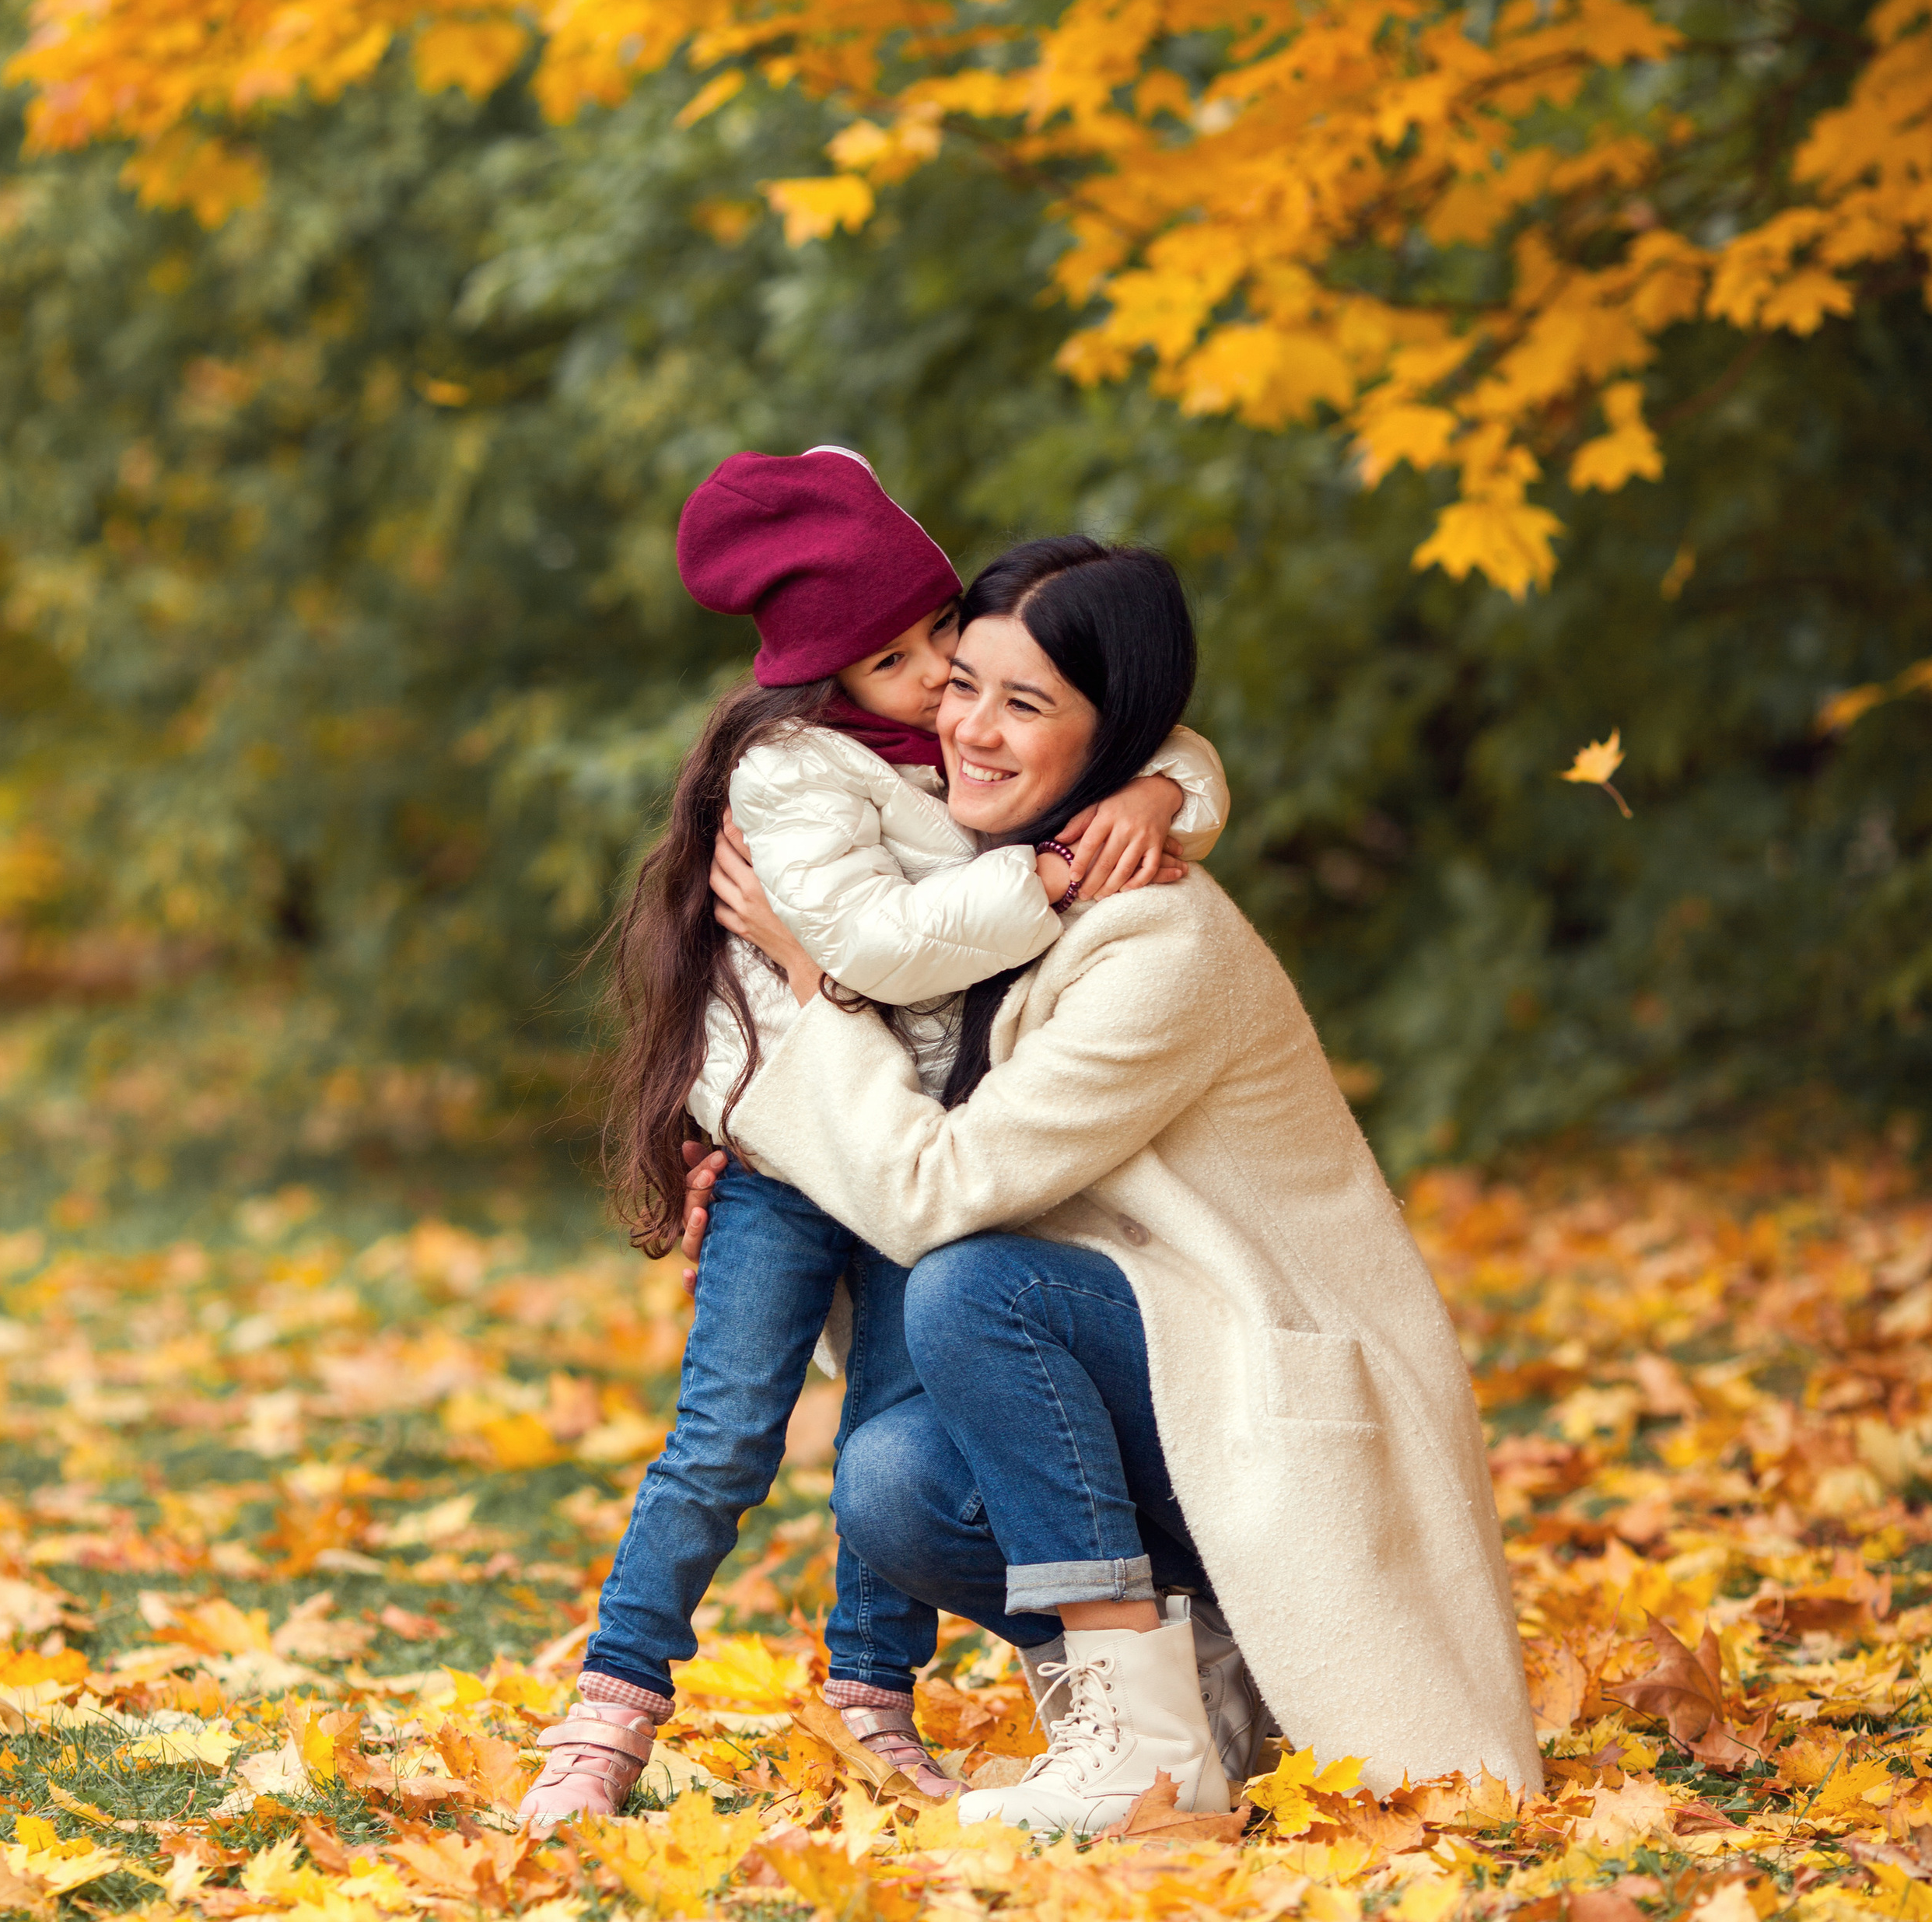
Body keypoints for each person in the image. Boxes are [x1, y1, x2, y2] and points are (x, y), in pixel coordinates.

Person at [700, 534, 1543, 1834]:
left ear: (1118, 736)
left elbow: (936, 1194)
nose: (964, 724)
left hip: (1262, 1369)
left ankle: (1141, 1757)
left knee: (979, 1288)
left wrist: (815, 1001)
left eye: (1023, 704)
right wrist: (759, 1153)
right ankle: (1203, 1685)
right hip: (1161, 1363)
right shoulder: (980, 898)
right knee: (893, 1480)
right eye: (962, 682)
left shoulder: (1158, 939)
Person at [517, 455, 1227, 1830]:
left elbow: (1145, 737)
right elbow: (875, 947)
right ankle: (611, 1704)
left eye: (942, 640)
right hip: (799, 1156)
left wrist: (1158, 800)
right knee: (724, 1435)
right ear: (821, 669)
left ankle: (872, 1699)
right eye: (893, 660)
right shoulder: (796, 771)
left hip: (914, 1153)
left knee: (894, 1441)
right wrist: (1054, 872)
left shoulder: (969, 732)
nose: (935, 679)